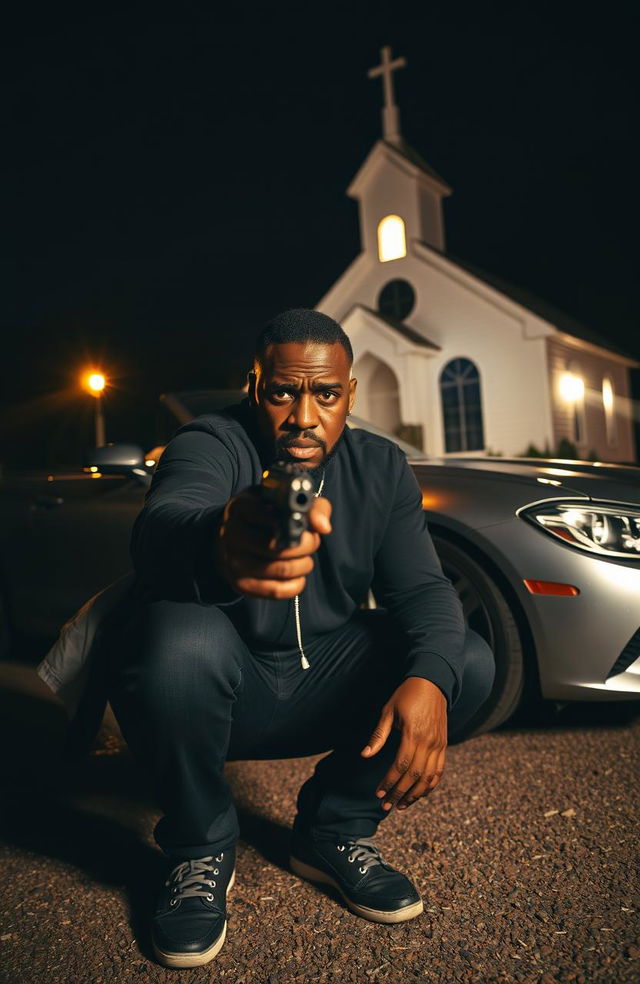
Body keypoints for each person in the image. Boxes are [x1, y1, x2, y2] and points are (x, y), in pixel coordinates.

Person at [106, 308, 495, 969]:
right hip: (223, 689)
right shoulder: (210, 442)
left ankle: (332, 830)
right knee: (175, 639)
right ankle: (200, 847)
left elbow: (424, 593)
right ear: (256, 387)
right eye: (284, 392)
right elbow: (163, 525)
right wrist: (220, 540)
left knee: (465, 661)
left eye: (326, 394)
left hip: (323, 680)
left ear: (350, 395)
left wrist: (429, 679)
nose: (304, 418)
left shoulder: (380, 468)